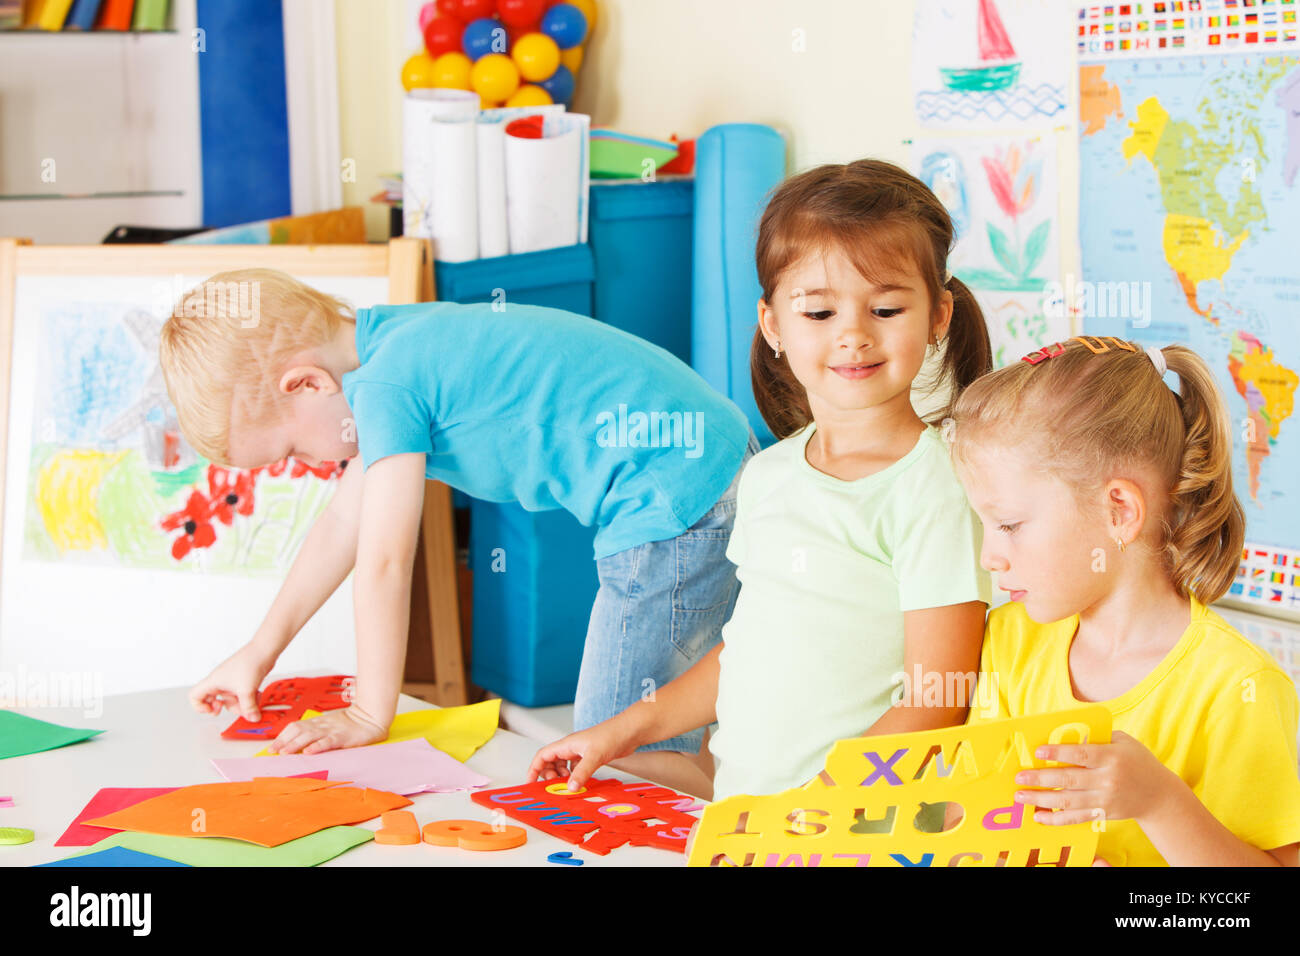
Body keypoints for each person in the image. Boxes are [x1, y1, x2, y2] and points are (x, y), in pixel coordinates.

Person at [159, 272, 755, 795]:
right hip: (697, 470)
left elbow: (386, 562)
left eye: (291, 448)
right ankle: (726, 814)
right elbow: (344, 523)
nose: (308, 464)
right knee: (658, 739)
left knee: (610, 758)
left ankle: (721, 831)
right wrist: (257, 653)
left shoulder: (384, 386)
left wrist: (369, 713)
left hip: (676, 500)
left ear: (307, 384)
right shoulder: (391, 345)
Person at [530, 159, 993, 801]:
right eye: (819, 313)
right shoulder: (770, 474)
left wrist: (820, 804)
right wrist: (620, 732)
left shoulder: (936, 486)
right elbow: (744, 649)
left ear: (939, 316)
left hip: (850, 829)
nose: (854, 335)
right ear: (773, 324)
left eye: (885, 308)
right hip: (747, 816)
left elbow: (939, 699)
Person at [951, 335, 1300, 865]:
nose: (989, 558)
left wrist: (1159, 802)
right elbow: (967, 824)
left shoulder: (1237, 689)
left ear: (1118, 511)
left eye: (1009, 524)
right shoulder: (1008, 640)